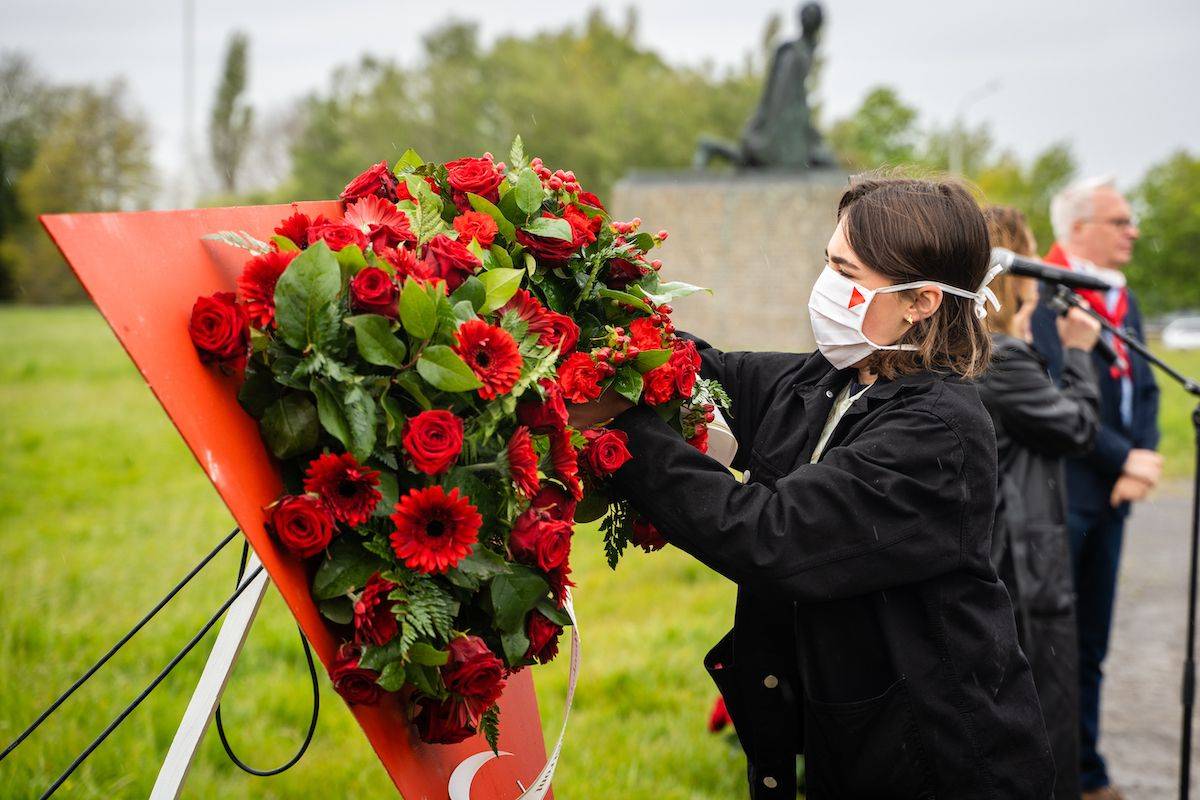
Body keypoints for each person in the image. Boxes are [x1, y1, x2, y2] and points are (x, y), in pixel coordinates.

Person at [571, 177, 1055, 798]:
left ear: (921, 302)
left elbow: (772, 538)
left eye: (847, 272)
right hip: (854, 748)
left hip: (940, 762)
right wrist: (598, 336)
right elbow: (710, 373)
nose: (827, 285)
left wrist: (624, 428)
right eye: (827, 261)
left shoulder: (939, 430)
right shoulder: (833, 379)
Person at [1030, 176, 1161, 800]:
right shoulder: (1048, 292)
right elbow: (1058, 391)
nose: (1132, 230)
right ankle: (1064, 771)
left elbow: (1146, 383)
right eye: (1119, 220)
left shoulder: (1118, 294)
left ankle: (1086, 765)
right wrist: (1124, 459)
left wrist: (1147, 454)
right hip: (1071, 487)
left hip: (1113, 489)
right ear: (1078, 228)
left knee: (1094, 642)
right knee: (1058, 641)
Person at [978, 205, 1102, 800]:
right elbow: (1075, 428)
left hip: (1006, 558)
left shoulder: (994, 351)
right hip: (1022, 568)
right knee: (1044, 717)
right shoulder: (1000, 357)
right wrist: (1079, 353)